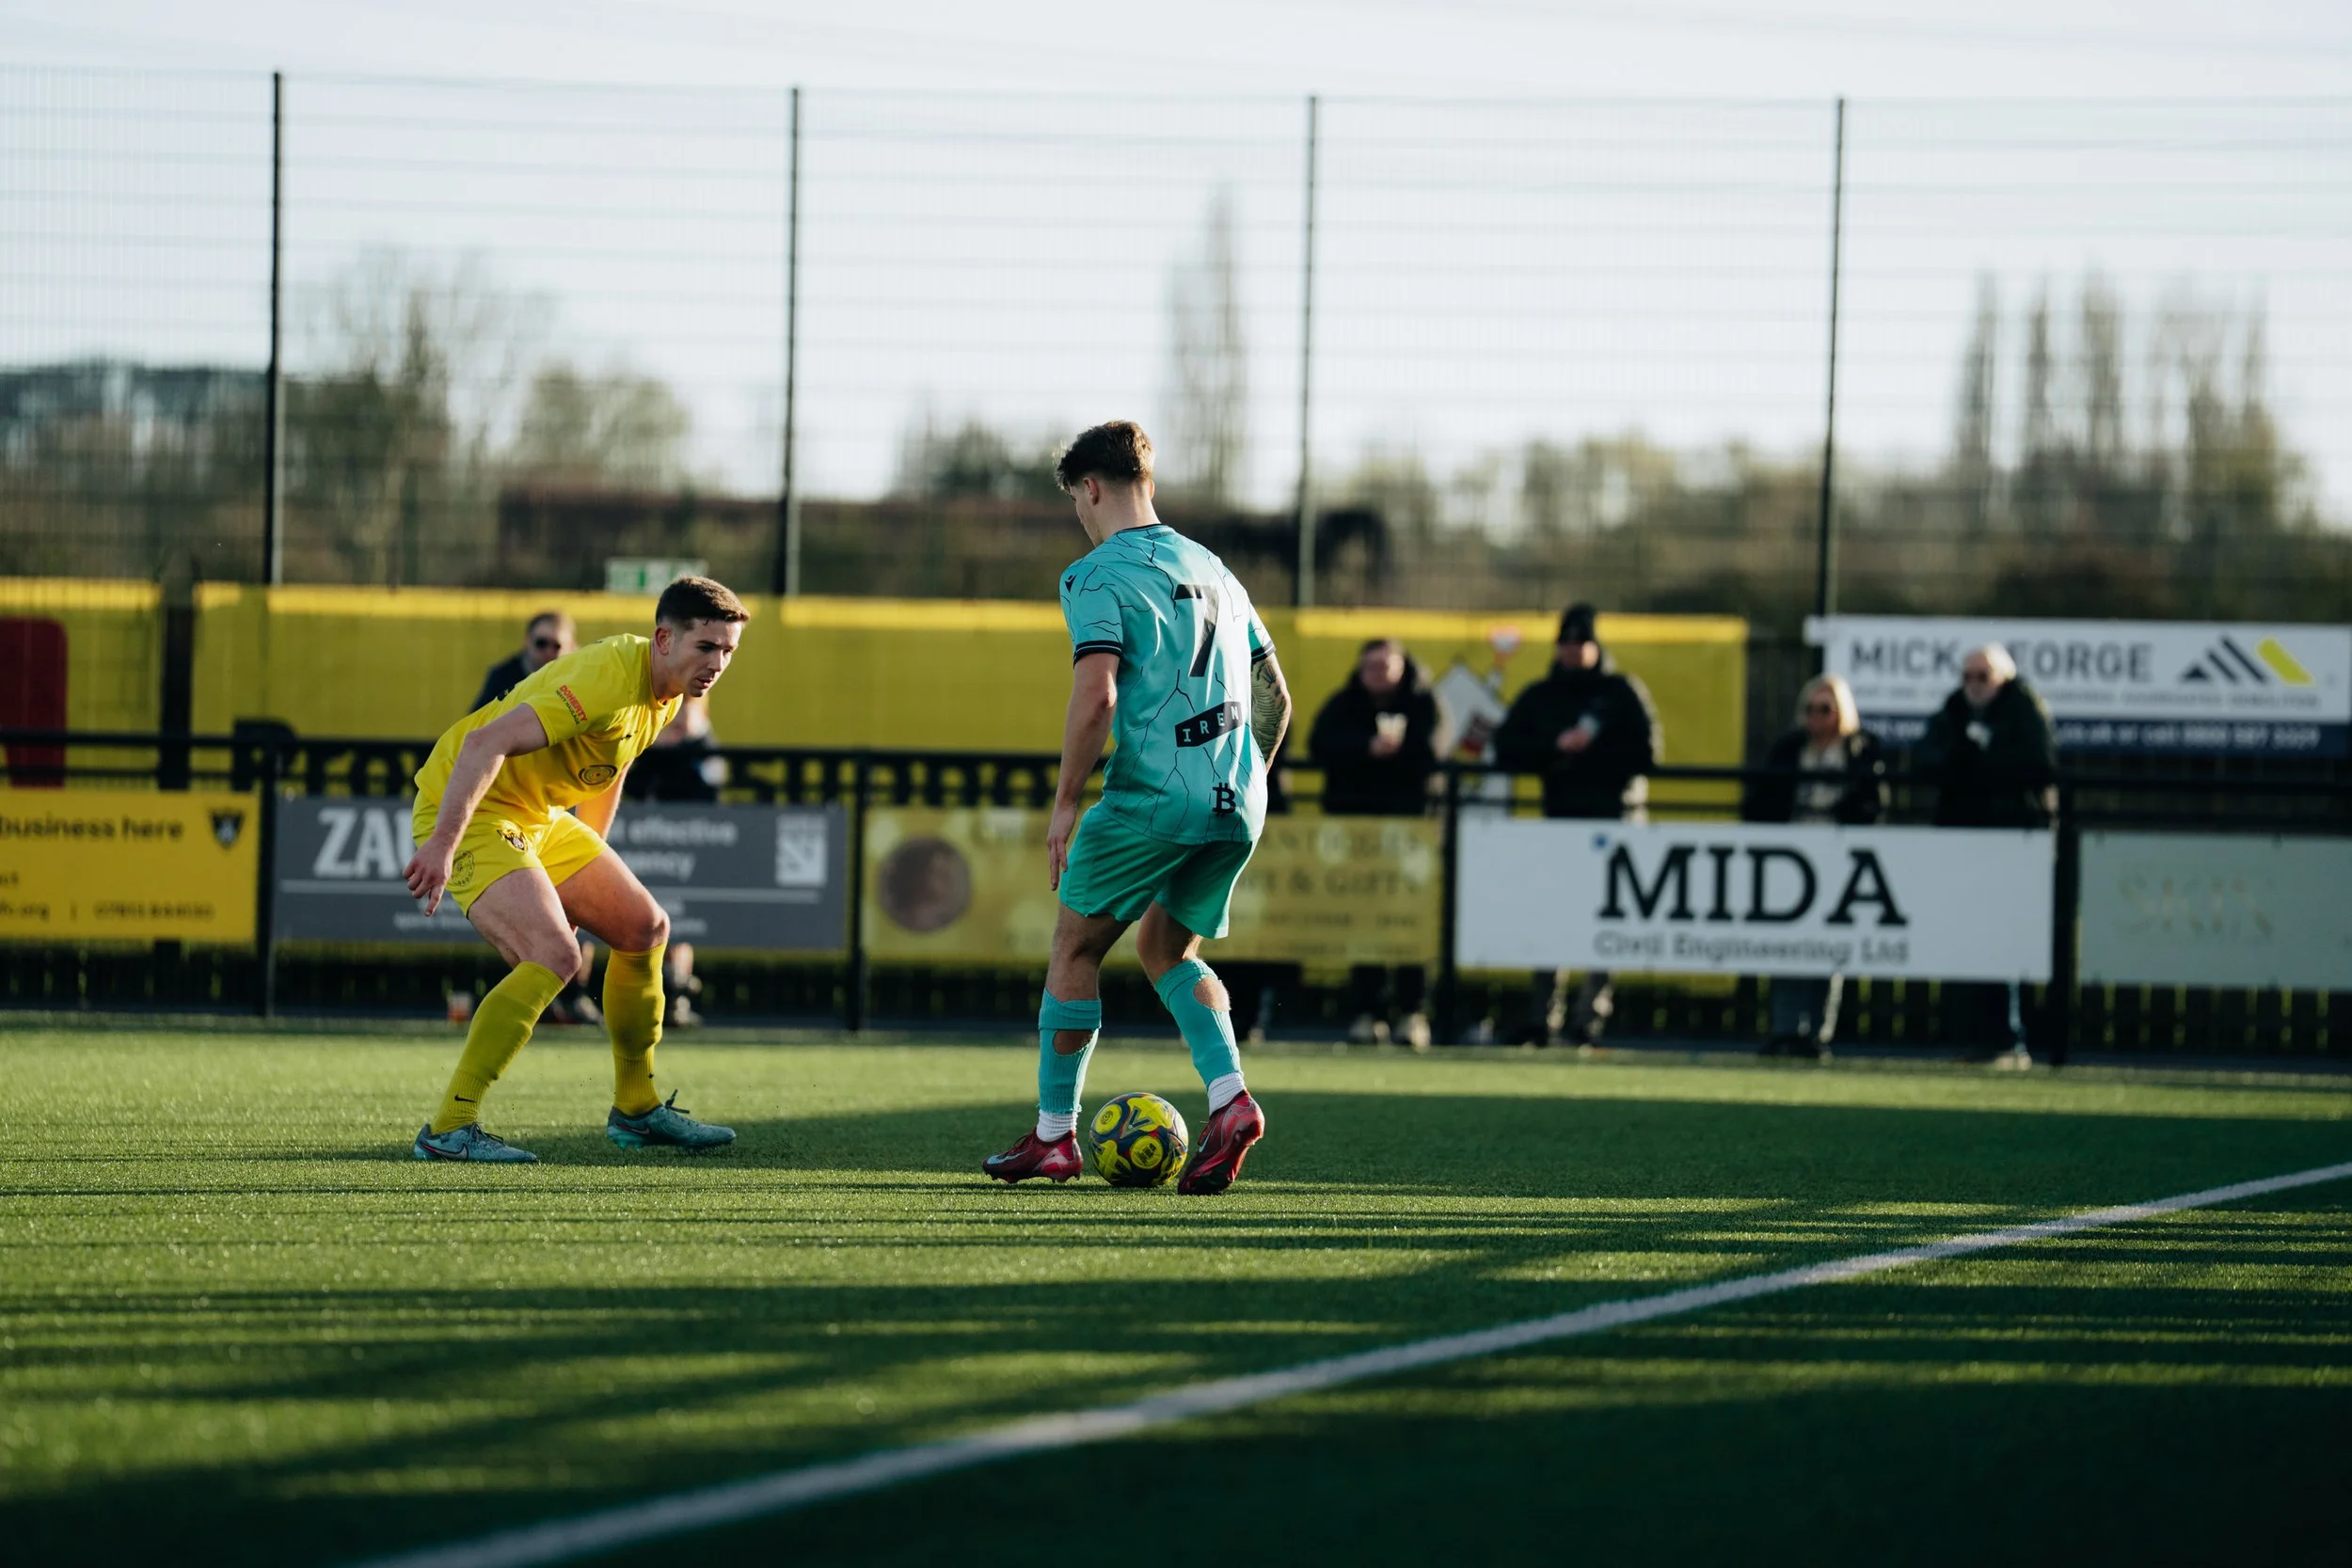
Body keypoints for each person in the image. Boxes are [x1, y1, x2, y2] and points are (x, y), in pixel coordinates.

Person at [981, 420, 1293, 1196]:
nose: (1080, 518)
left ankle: (1055, 1138)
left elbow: (1097, 695)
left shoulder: (1095, 574)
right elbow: (1276, 698)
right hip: (1237, 798)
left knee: (1075, 948)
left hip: (1150, 797)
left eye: (1077, 503)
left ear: (1090, 488)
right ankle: (1231, 1100)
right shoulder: (1217, 567)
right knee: (1166, 949)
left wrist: (1064, 805)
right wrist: (1243, 780)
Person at [402, 577, 751, 1162]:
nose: (718, 663)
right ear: (664, 638)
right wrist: (441, 843)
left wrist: (591, 856)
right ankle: (448, 1130)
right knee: (556, 955)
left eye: (729, 651)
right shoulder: (608, 680)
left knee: (645, 928)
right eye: (707, 647)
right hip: (471, 811)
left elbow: (611, 767)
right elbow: (484, 743)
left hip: (536, 814)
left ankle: (637, 1111)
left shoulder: (664, 690)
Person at [1491, 602, 1661, 1049]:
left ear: (1595, 645)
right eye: (1565, 643)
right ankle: (1543, 1017)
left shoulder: (1621, 692)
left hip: (1614, 824)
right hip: (1561, 825)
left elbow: (1648, 753)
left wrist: (1590, 753)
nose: (1572, 651)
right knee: (1551, 923)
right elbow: (1507, 746)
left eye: (1579, 642)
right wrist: (1555, 749)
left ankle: (1589, 1019)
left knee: (1605, 927)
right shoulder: (1543, 694)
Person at [1914, 641, 2058, 1069]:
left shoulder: (2024, 708)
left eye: (1984, 676)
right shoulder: (1955, 709)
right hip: (1963, 844)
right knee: (1966, 941)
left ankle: (2008, 1040)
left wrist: (1979, 760)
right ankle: (1975, 1039)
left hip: (2011, 844)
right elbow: (1925, 758)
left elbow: (2037, 763)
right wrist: (1966, 757)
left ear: (2005, 679)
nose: (1974, 684)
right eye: (1968, 676)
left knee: (2004, 941)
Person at [1742, 673, 1886, 1060]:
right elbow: (1762, 798)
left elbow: (1873, 805)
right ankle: (1785, 1028)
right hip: (1791, 859)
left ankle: (1817, 1032)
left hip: (1840, 862)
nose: (1817, 718)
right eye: (1810, 709)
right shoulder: (1790, 748)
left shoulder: (1861, 750)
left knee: (1827, 948)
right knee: (1786, 945)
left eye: (1825, 709)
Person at [1309, 637, 1440, 1050]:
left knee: (1409, 923)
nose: (1377, 674)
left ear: (1403, 665)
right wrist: (1367, 749)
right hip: (1357, 838)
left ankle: (1412, 1013)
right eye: (1370, 666)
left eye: (1385, 665)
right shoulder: (1344, 704)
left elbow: (1437, 750)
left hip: (1411, 838)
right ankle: (1368, 1013)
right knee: (1363, 923)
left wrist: (1398, 754)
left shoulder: (1425, 704)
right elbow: (1318, 745)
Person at [622, 696, 726, 1026]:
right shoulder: (647, 746)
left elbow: (710, 788)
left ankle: (677, 996)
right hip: (648, 847)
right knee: (643, 921)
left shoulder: (705, 751)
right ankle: (641, 998)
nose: (677, 724)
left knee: (682, 924)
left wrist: (686, 745)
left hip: (688, 852)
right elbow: (633, 785)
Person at [473, 611, 576, 711]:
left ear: (571, 646)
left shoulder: (578, 678)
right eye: (541, 643)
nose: (548, 651)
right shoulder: (502, 678)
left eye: (556, 646)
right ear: (526, 641)